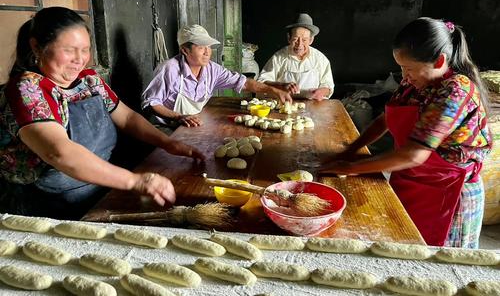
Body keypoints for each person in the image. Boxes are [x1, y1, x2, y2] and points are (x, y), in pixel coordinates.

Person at [0, 7, 205, 219]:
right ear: (36, 46)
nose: (79, 59)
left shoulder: (90, 80)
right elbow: (59, 152)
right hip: (45, 206)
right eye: (69, 50)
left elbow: (126, 118)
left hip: (99, 188)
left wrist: (168, 143)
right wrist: (135, 181)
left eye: (85, 49)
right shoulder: (26, 89)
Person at [320, 17, 492, 248]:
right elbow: (386, 120)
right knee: (404, 244)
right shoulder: (413, 84)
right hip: (412, 181)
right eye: (401, 68)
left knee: (437, 264)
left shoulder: (456, 91)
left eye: (409, 69)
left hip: (448, 195)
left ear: (439, 60)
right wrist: (351, 149)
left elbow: (414, 155)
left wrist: (350, 168)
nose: (404, 76)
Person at [141, 24, 292, 127]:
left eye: (208, 47)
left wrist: (273, 90)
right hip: (167, 127)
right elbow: (150, 103)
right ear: (184, 50)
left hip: (194, 123)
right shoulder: (169, 69)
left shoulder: (212, 70)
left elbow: (244, 82)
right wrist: (178, 117)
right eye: (201, 47)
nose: (207, 52)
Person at [257, 13, 334, 100]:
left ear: (311, 40)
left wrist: (321, 91)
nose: (299, 44)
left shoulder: (320, 59)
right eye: (295, 39)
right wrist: (281, 85)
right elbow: (261, 82)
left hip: (312, 108)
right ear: (289, 38)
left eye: (304, 40)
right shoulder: (278, 57)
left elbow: (328, 86)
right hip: (283, 105)